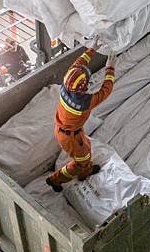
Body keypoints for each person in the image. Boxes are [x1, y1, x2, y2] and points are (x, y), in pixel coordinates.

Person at [46, 39, 116, 192]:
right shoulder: (83, 102)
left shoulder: (67, 82)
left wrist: (93, 48)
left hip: (63, 130)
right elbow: (106, 90)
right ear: (83, 88)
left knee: (86, 151)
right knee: (81, 161)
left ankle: (85, 170)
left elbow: (78, 64)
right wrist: (110, 68)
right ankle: (55, 179)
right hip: (71, 137)